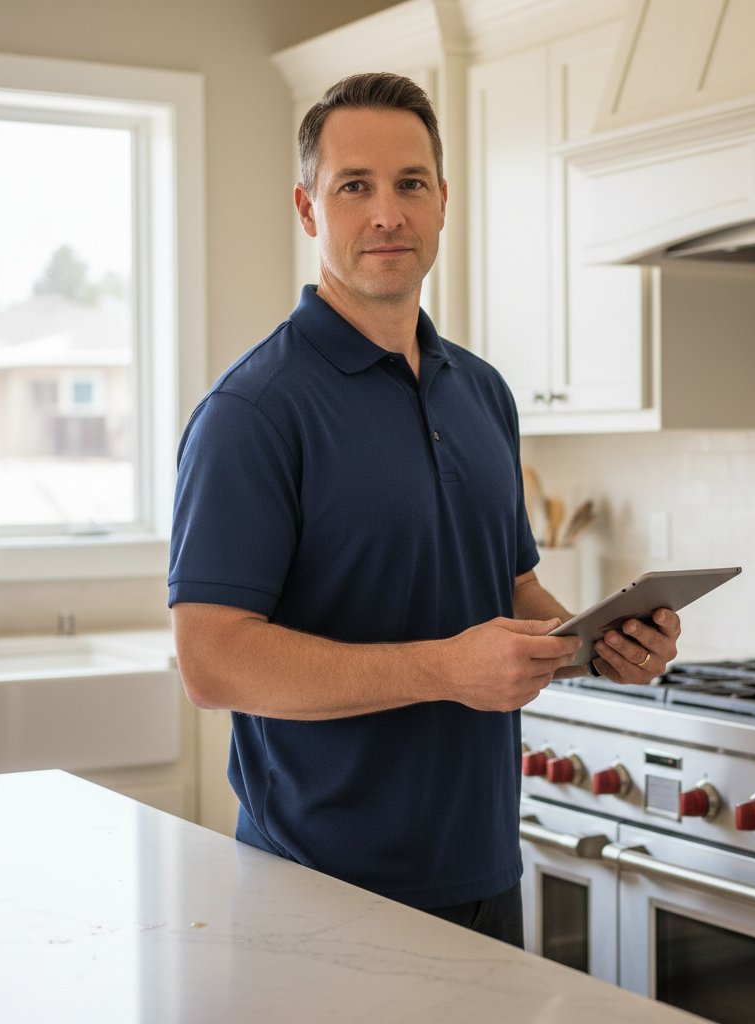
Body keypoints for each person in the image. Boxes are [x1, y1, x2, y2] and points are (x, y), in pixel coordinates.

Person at [168, 72, 680, 947]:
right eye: (353, 187)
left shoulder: (481, 393)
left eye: (410, 184)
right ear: (307, 209)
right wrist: (444, 670)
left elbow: (509, 588)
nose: (386, 214)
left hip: (485, 868)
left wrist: (599, 645)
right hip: (319, 889)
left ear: (443, 201)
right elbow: (211, 661)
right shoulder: (253, 413)